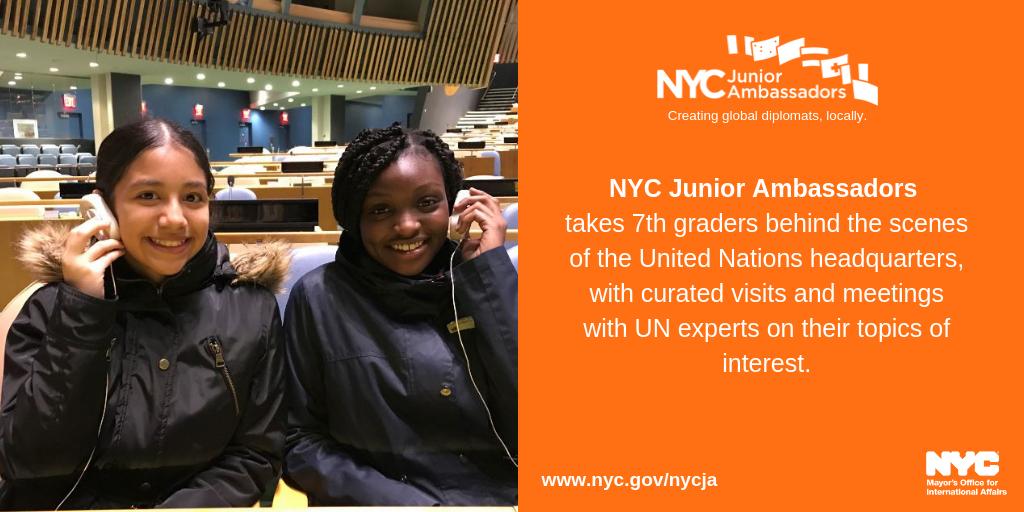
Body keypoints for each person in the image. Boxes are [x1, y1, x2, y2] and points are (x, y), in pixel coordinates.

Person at [0, 119, 288, 509]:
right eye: (149, 195)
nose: (175, 219)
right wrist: (83, 314)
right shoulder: (52, 309)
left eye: (193, 197)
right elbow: (27, 464)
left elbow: (256, 455)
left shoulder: (252, 308)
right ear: (102, 208)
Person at [283, 124, 517, 505]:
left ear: (451, 205)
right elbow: (300, 441)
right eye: (380, 209)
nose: (407, 225)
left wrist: (488, 277)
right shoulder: (318, 299)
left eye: (426, 203)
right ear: (353, 216)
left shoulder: (485, 283)